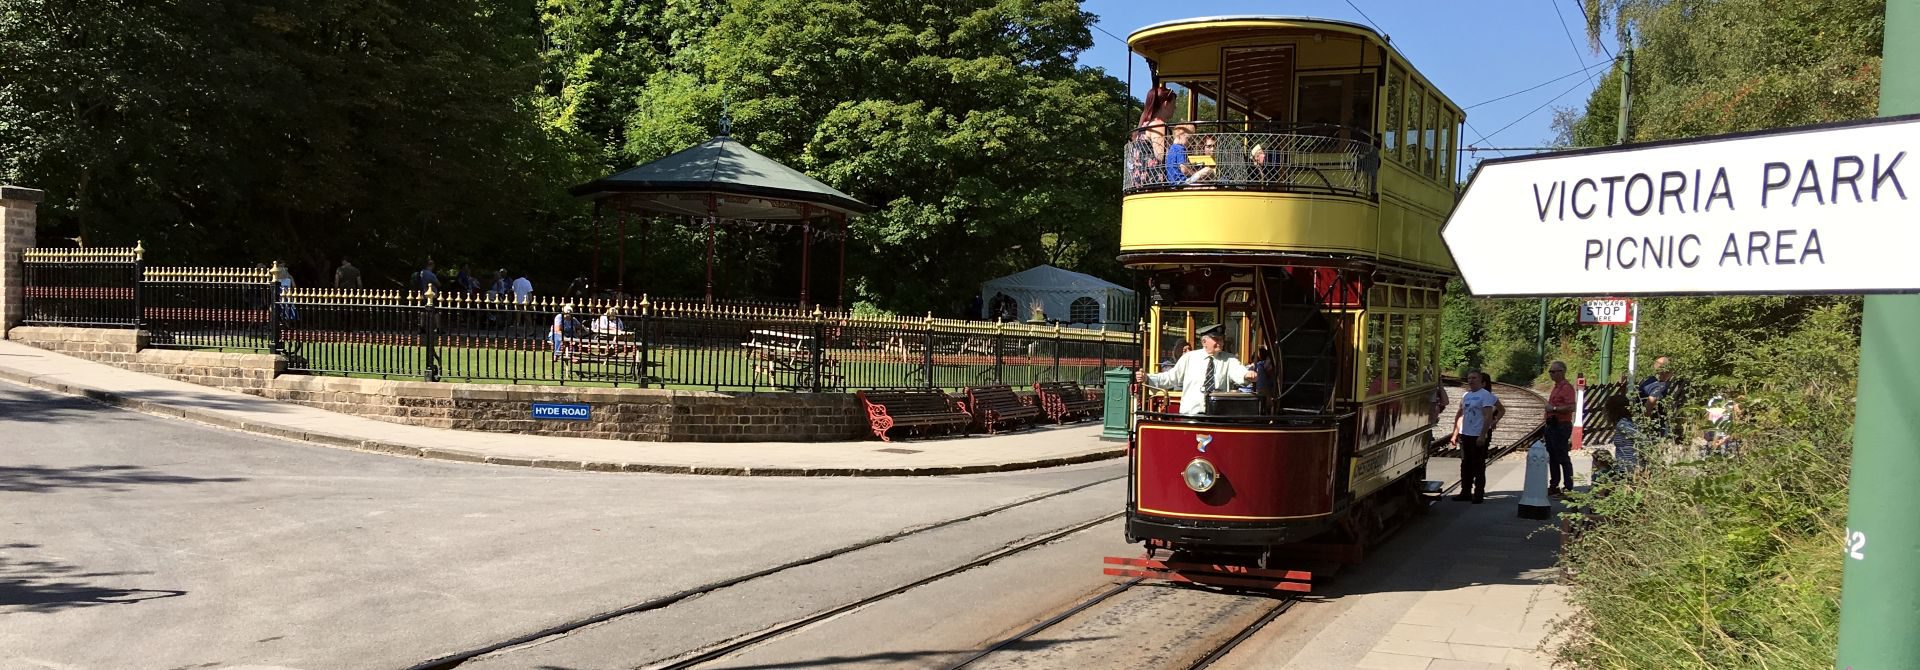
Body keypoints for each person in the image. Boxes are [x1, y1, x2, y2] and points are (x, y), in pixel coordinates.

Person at [1135, 325, 1257, 416]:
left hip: (1217, 415)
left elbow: (1238, 371)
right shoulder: (1189, 357)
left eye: (1221, 339)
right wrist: (1147, 378)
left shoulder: (1229, 359)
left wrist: (1247, 375)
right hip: (1191, 414)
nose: (1220, 342)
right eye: (1216, 339)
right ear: (1204, 341)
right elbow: (1171, 377)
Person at [1450, 370, 1504, 503]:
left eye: (1474, 378)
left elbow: (1488, 416)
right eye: (1469, 378)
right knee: (1465, 464)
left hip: (1477, 435)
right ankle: (1465, 491)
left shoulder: (1485, 395)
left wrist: (1483, 434)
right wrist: (1455, 433)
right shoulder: (1466, 395)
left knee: (1478, 464)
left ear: (1482, 381)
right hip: (1465, 434)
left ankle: (1478, 493)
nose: (1471, 380)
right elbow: (1461, 414)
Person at [1543, 360, 1577, 497]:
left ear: (1561, 372)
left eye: (1553, 371)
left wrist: (1554, 409)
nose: (1551, 374)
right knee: (1553, 456)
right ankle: (1554, 484)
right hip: (1552, 425)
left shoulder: (1566, 388)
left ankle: (1568, 487)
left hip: (1561, 425)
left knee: (1562, 456)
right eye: (1550, 371)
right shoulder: (1557, 387)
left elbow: (1572, 407)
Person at [1604, 393, 1639, 474]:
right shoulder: (1625, 422)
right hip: (1625, 466)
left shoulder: (1623, 424)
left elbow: (1641, 438)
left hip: (1628, 467)